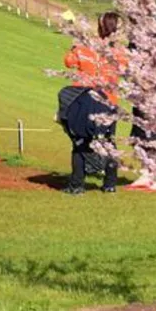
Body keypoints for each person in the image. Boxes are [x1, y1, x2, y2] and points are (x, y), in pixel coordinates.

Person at [61, 14, 125, 194]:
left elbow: (68, 62)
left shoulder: (85, 47)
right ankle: (110, 184)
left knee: (80, 140)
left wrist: (75, 46)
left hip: (85, 98)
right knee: (109, 141)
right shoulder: (119, 53)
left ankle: (77, 184)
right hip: (109, 101)